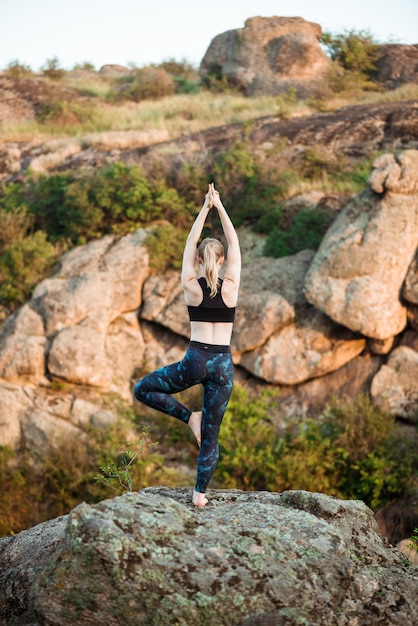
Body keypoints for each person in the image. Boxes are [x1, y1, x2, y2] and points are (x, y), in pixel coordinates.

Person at [133, 183, 241, 507]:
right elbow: (233, 241)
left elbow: (189, 243)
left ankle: (187, 417)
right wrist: (219, 206)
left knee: (142, 389)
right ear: (220, 260)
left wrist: (204, 209)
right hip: (222, 365)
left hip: (195, 360)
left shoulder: (191, 286)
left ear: (198, 259)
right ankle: (199, 496)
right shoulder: (231, 287)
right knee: (212, 435)